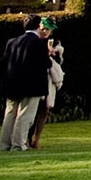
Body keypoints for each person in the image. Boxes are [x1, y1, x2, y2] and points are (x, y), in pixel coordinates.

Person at [0, 15, 51, 152]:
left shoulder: (12, 42)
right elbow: (46, 63)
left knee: (10, 114)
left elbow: (3, 62)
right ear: (39, 26)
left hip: (12, 83)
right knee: (25, 115)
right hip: (32, 85)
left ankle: (5, 144)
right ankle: (18, 144)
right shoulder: (40, 43)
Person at [28, 20, 64, 148]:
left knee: (45, 110)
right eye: (42, 29)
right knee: (32, 110)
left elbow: (59, 62)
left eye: (47, 29)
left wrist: (54, 53)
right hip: (36, 78)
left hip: (49, 80)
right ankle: (26, 137)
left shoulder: (55, 43)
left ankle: (36, 138)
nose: (44, 32)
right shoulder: (34, 41)